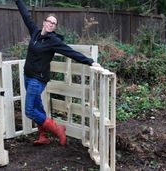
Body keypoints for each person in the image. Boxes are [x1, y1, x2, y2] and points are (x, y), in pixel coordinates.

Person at [15, 0, 100, 146]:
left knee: (29, 110)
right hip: (27, 76)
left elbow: (70, 52)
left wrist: (90, 61)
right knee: (37, 106)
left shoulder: (53, 40)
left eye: (54, 24)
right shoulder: (35, 33)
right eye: (49, 21)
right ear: (44, 22)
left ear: (55, 27)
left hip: (38, 79)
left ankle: (57, 129)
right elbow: (26, 15)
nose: (51, 24)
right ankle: (43, 135)